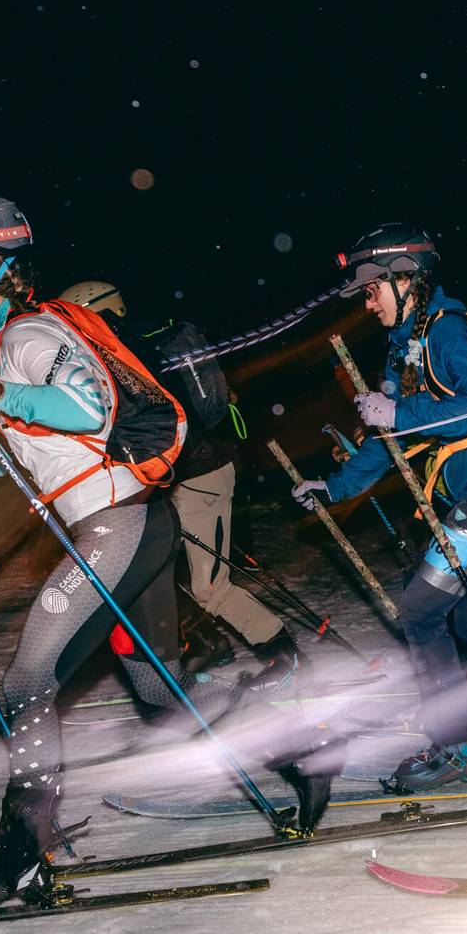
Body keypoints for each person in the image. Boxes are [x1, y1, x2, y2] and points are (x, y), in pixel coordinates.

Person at [0, 197, 341, 916]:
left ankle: (17, 859)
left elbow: (88, 410)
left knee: (27, 682)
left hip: (116, 530)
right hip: (135, 527)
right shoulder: (2, 348)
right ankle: (302, 753)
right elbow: (8, 459)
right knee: (159, 696)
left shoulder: (30, 334)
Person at [290, 223, 467, 791]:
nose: (367, 303)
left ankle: (457, 745)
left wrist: (399, 412)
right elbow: (391, 441)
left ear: (406, 279)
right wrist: (335, 487)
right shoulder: (406, 347)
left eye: (372, 290)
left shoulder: (448, 331)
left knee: (421, 612)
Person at [59, 282, 297, 684]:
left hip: (197, 475)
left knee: (210, 587)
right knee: (149, 575)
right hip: (167, 480)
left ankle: (284, 655)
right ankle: (201, 646)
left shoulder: (129, 353)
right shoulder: (130, 349)